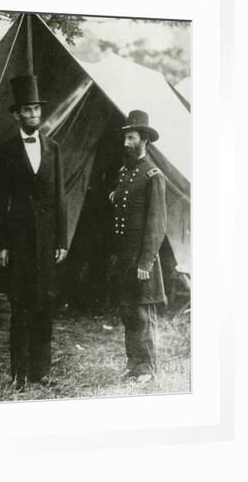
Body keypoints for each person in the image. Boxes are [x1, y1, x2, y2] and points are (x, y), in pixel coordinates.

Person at [0, 75, 68, 391]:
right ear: (17, 114)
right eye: (27, 110)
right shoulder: (7, 149)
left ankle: (42, 371)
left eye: (37, 109)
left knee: (44, 308)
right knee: (21, 307)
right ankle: (18, 374)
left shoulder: (54, 148)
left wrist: (62, 240)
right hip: (20, 242)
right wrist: (2, 244)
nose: (34, 115)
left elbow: (61, 197)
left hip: (48, 242)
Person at [108, 110, 167, 384]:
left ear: (144, 140)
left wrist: (146, 262)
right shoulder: (124, 173)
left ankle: (147, 369)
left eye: (131, 137)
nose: (125, 143)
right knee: (128, 312)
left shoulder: (153, 175)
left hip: (142, 260)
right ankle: (133, 365)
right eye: (125, 138)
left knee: (144, 314)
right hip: (124, 257)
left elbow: (156, 225)